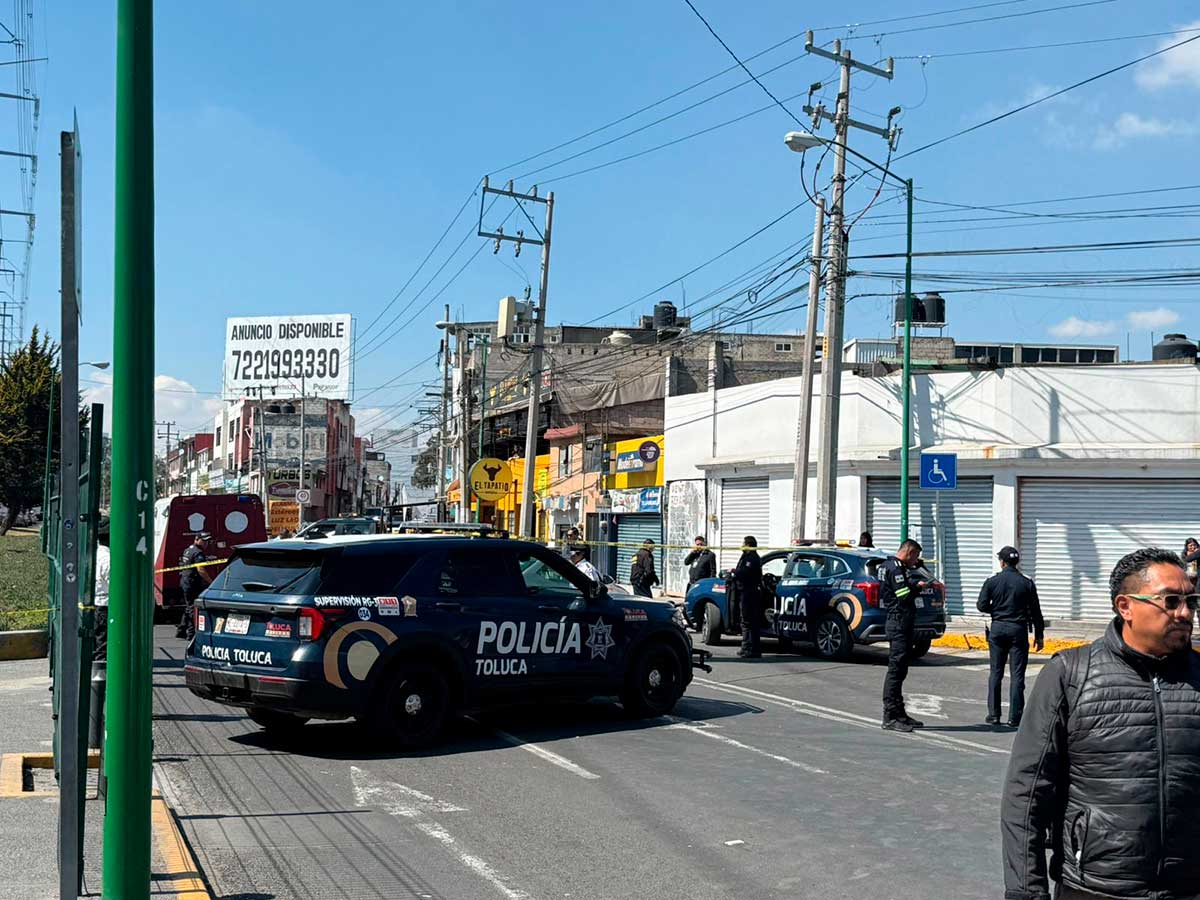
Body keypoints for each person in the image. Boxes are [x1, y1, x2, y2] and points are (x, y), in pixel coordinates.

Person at [1001, 547, 1200, 900]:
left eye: (1191, 602)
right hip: (1093, 887)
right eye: (1170, 601)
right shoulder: (1071, 674)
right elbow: (1027, 795)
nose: (1184, 613)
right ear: (1126, 607)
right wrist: (1027, 893)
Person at [977, 546, 1045, 728]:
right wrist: (1039, 635)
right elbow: (1036, 611)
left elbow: (981, 605)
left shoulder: (992, 582)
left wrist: (997, 610)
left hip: (998, 628)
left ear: (1002, 562)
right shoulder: (1027, 583)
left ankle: (993, 715)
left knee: (996, 673)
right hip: (1018, 630)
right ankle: (1015, 717)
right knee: (1017, 675)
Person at [879, 538, 929, 732]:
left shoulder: (889, 565)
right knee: (896, 669)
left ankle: (899, 713)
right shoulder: (896, 568)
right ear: (909, 552)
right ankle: (890, 716)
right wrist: (918, 587)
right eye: (915, 556)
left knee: (901, 670)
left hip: (900, 621)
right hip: (898, 621)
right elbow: (903, 595)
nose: (915, 561)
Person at [176, 532, 214, 640]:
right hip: (192, 582)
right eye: (204, 540)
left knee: (188, 607)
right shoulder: (198, 552)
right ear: (197, 539)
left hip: (185, 581)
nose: (206, 543)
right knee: (193, 608)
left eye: (207, 541)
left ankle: (181, 630)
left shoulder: (188, 549)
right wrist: (210, 582)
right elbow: (201, 570)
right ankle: (191, 634)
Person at [733, 536, 764, 659]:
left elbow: (745, 573)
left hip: (750, 593)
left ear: (748, 545)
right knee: (745, 621)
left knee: (750, 622)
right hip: (744, 592)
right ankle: (745, 647)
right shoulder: (745, 557)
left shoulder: (752, 558)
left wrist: (734, 572)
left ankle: (753, 649)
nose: (742, 546)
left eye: (743, 544)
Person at [92, 521, 111, 662]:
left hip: (97, 602)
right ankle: (101, 675)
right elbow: (113, 583)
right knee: (103, 642)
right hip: (105, 604)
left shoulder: (97, 554)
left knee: (99, 639)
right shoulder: (107, 558)